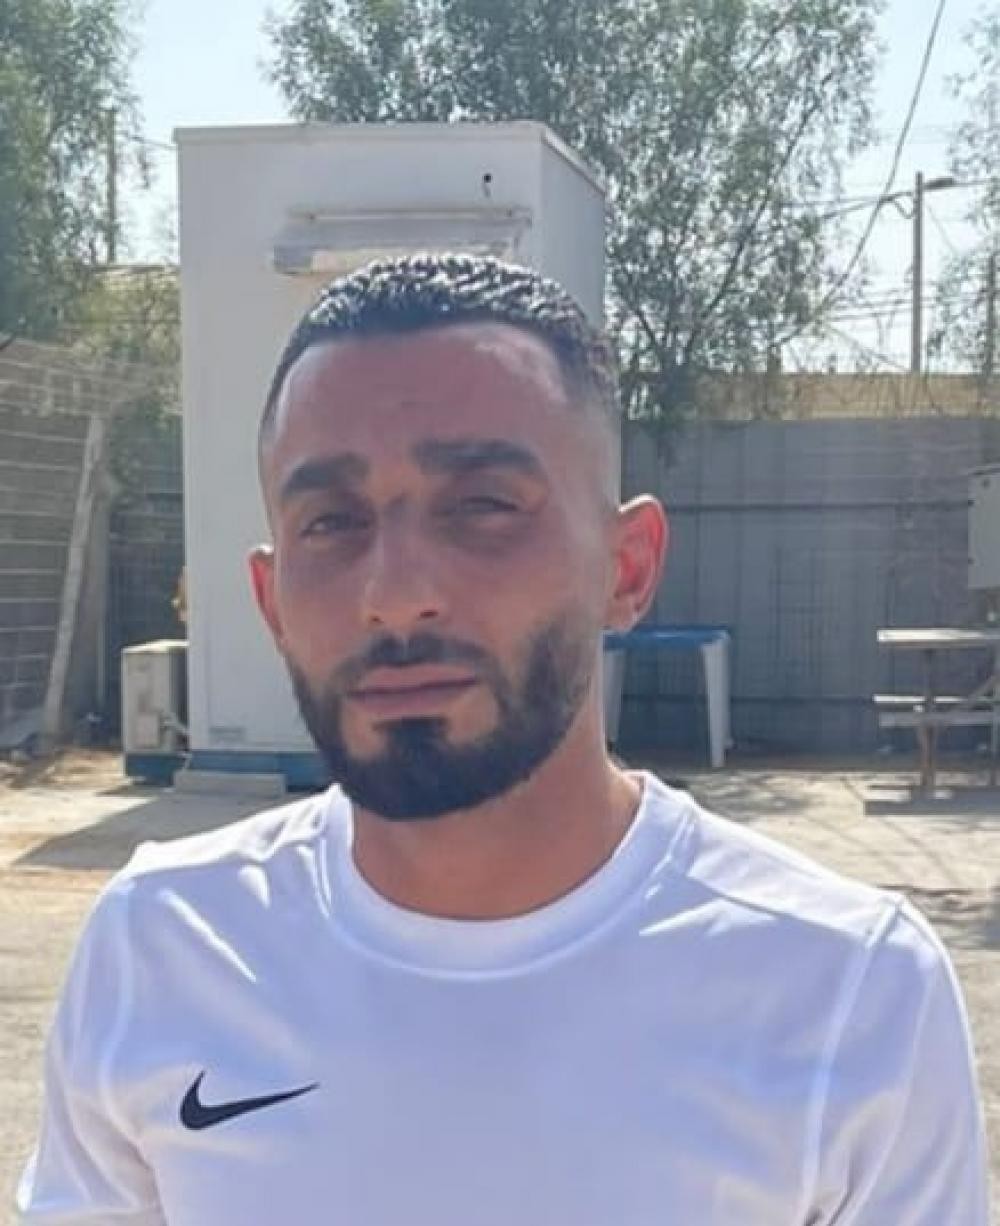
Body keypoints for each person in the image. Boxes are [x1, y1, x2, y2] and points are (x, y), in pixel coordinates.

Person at [18, 255, 990, 1224]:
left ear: (626, 566)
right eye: (332, 521)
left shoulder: (848, 992)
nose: (395, 593)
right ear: (272, 602)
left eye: (481, 505)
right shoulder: (160, 945)